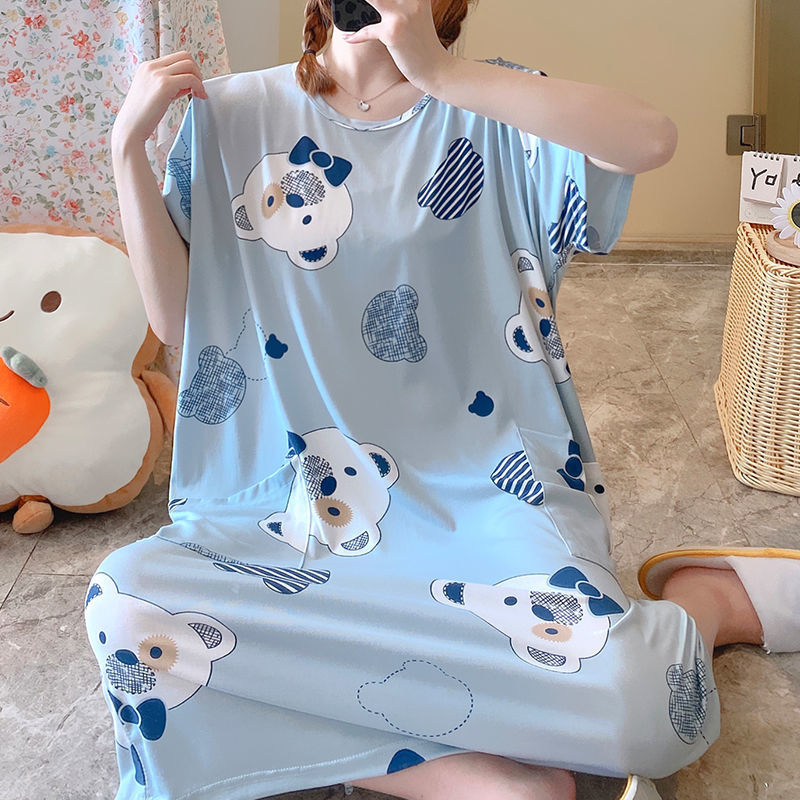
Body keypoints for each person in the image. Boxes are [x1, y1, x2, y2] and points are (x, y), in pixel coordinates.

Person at [91, 1, 800, 799]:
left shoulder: (494, 108)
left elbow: (651, 139)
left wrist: (441, 74)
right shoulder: (229, 113)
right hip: (291, 511)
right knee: (128, 606)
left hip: (487, 500)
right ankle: (484, 782)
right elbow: (180, 322)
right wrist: (126, 154)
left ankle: (705, 603)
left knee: (641, 700)